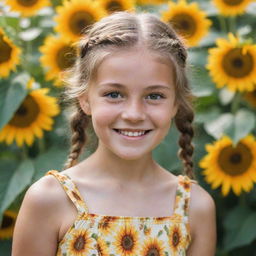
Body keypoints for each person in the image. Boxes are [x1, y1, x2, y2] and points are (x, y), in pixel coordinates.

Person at [12, 11, 216, 256]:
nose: (134, 114)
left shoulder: (195, 207)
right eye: (114, 94)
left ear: (175, 104)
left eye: (154, 96)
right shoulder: (49, 200)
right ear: (85, 100)